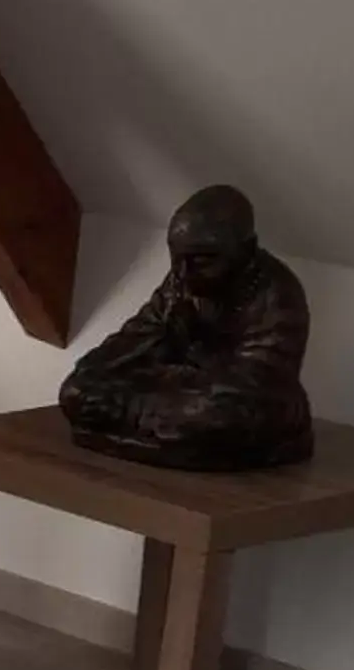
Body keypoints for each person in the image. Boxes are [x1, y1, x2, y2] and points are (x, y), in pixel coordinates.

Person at [60, 184, 312, 470]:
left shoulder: (276, 292)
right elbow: (137, 334)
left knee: (217, 417)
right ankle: (146, 421)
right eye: (176, 259)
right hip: (171, 392)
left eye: (202, 260)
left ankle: (140, 419)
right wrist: (94, 367)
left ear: (246, 250)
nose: (183, 273)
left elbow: (261, 382)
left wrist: (162, 393)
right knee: (76, 391)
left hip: (226, 401)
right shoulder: (180, 283)